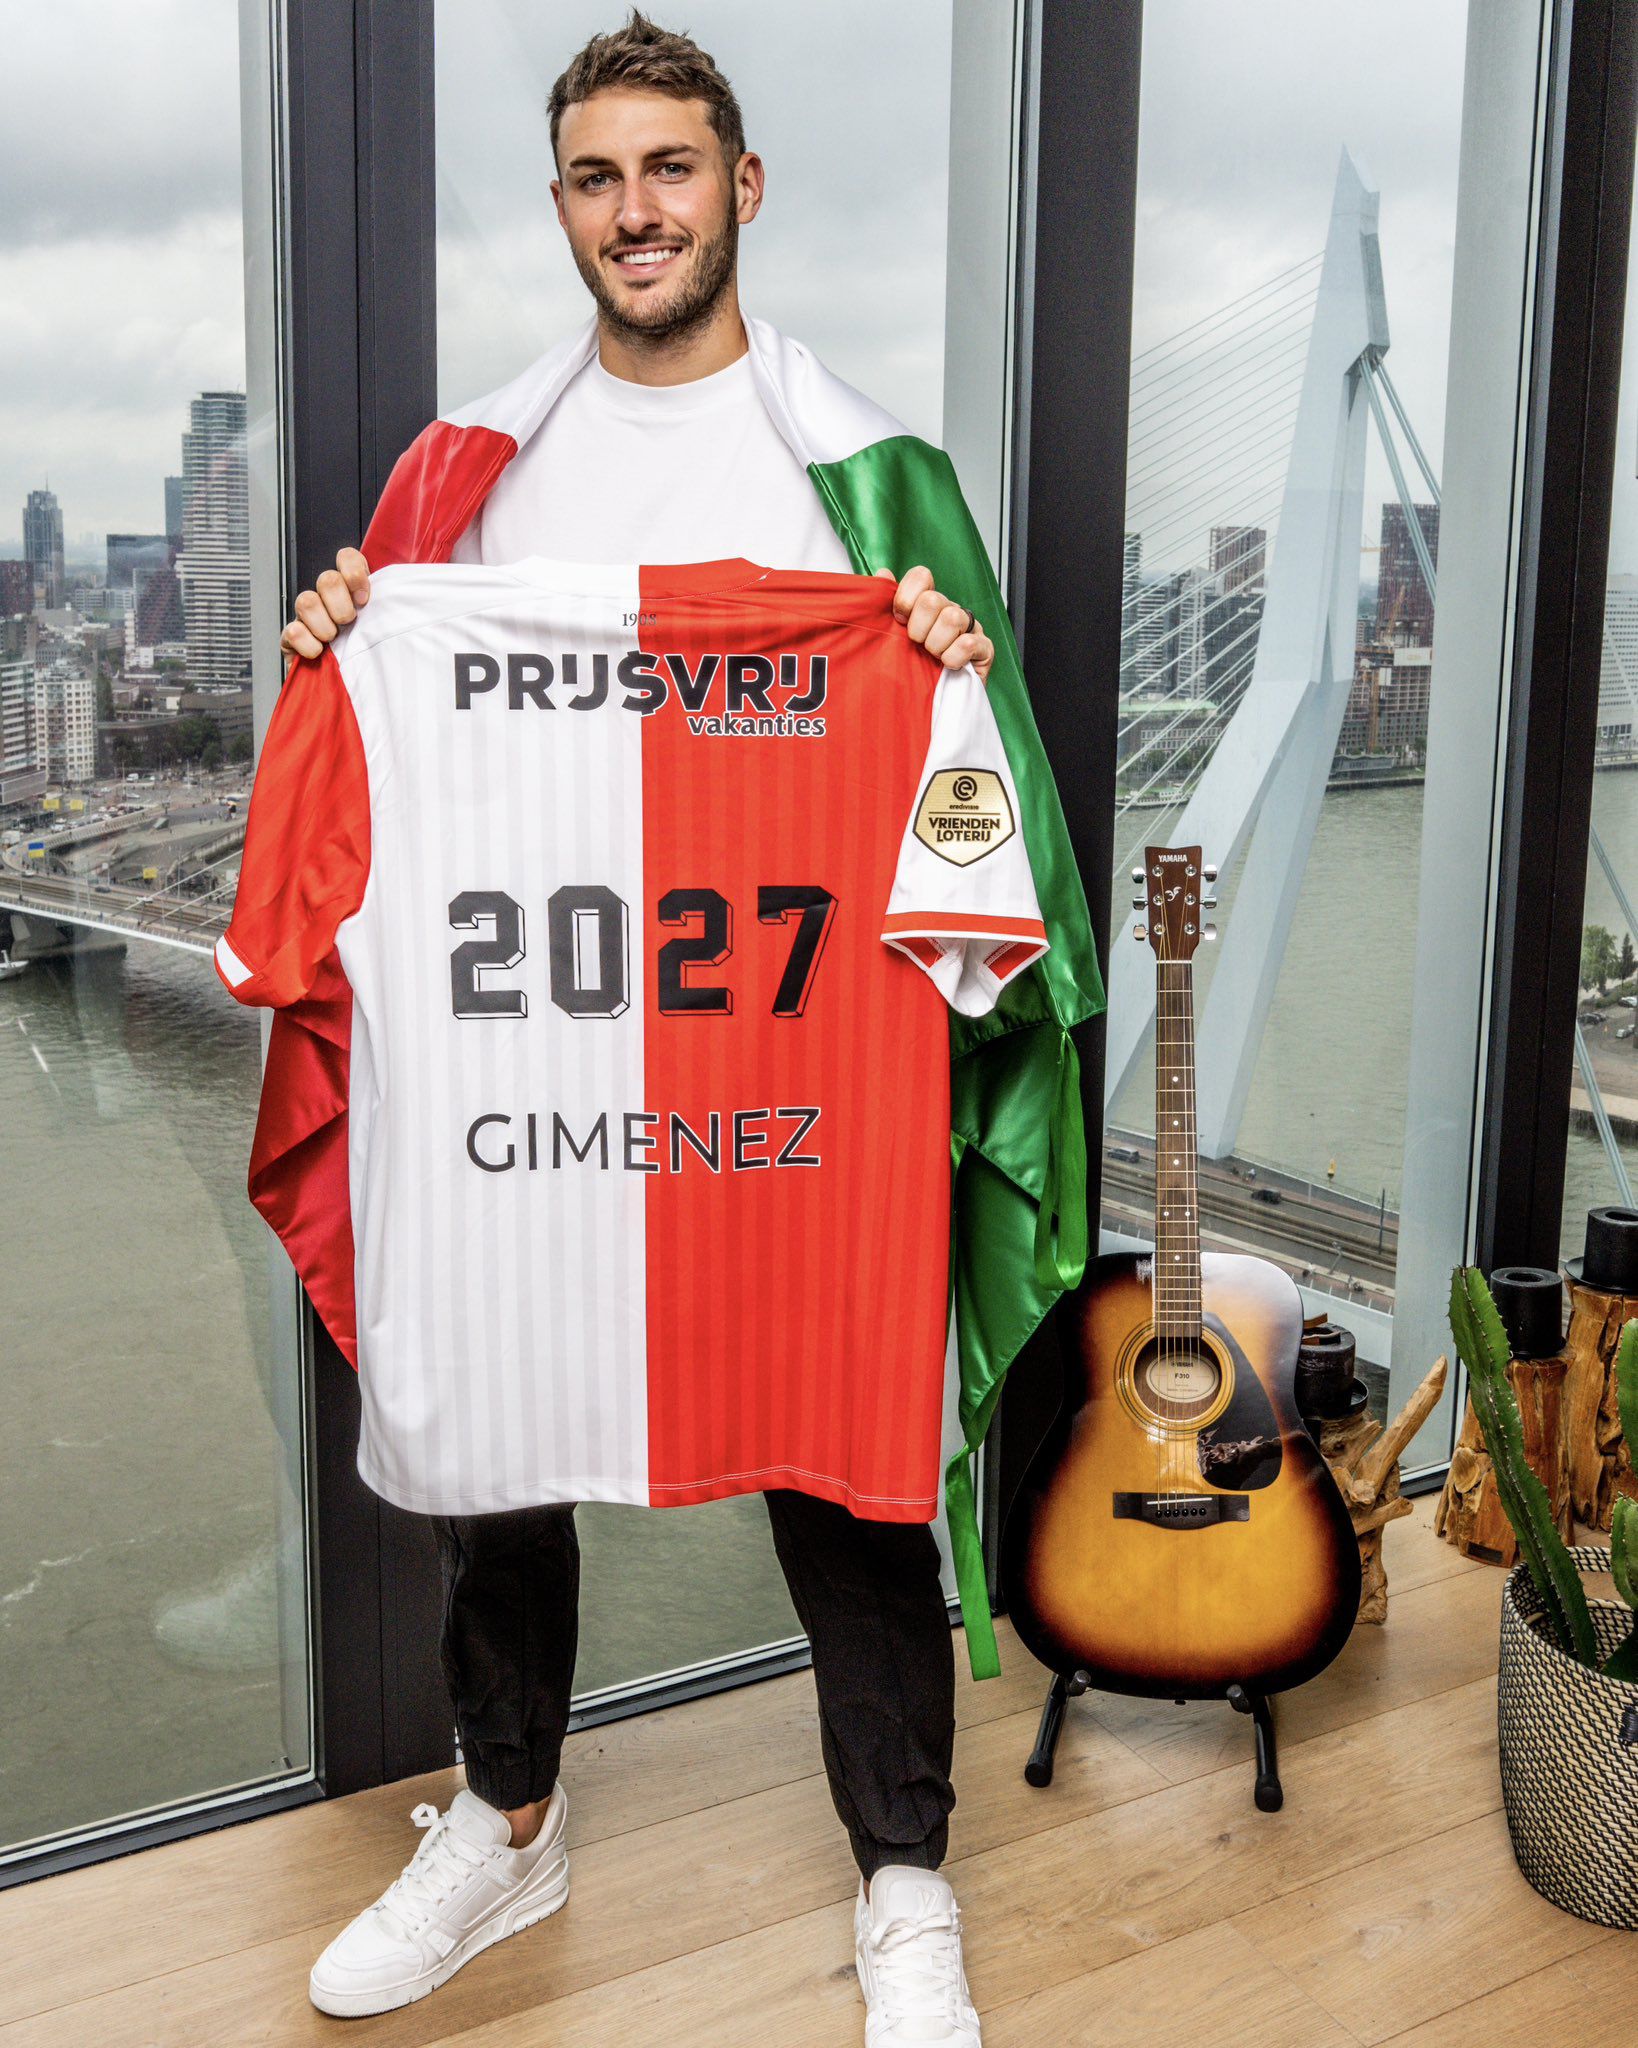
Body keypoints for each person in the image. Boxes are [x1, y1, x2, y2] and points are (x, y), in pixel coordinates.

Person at [282, 14, 1099, 2041]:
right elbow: (399, 762)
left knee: (851, 1457)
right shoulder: (462, 475)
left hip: (787, 1055)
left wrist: (945, 672)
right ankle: (507, 1818)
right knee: (495, 1437)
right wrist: (341, 646)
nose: (634, 209)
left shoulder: (871, 480)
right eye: (595, 176)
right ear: (561, 206)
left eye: (669, 167)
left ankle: (903, 1873)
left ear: (741, 187)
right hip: (538, 1048)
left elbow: (976, 809)